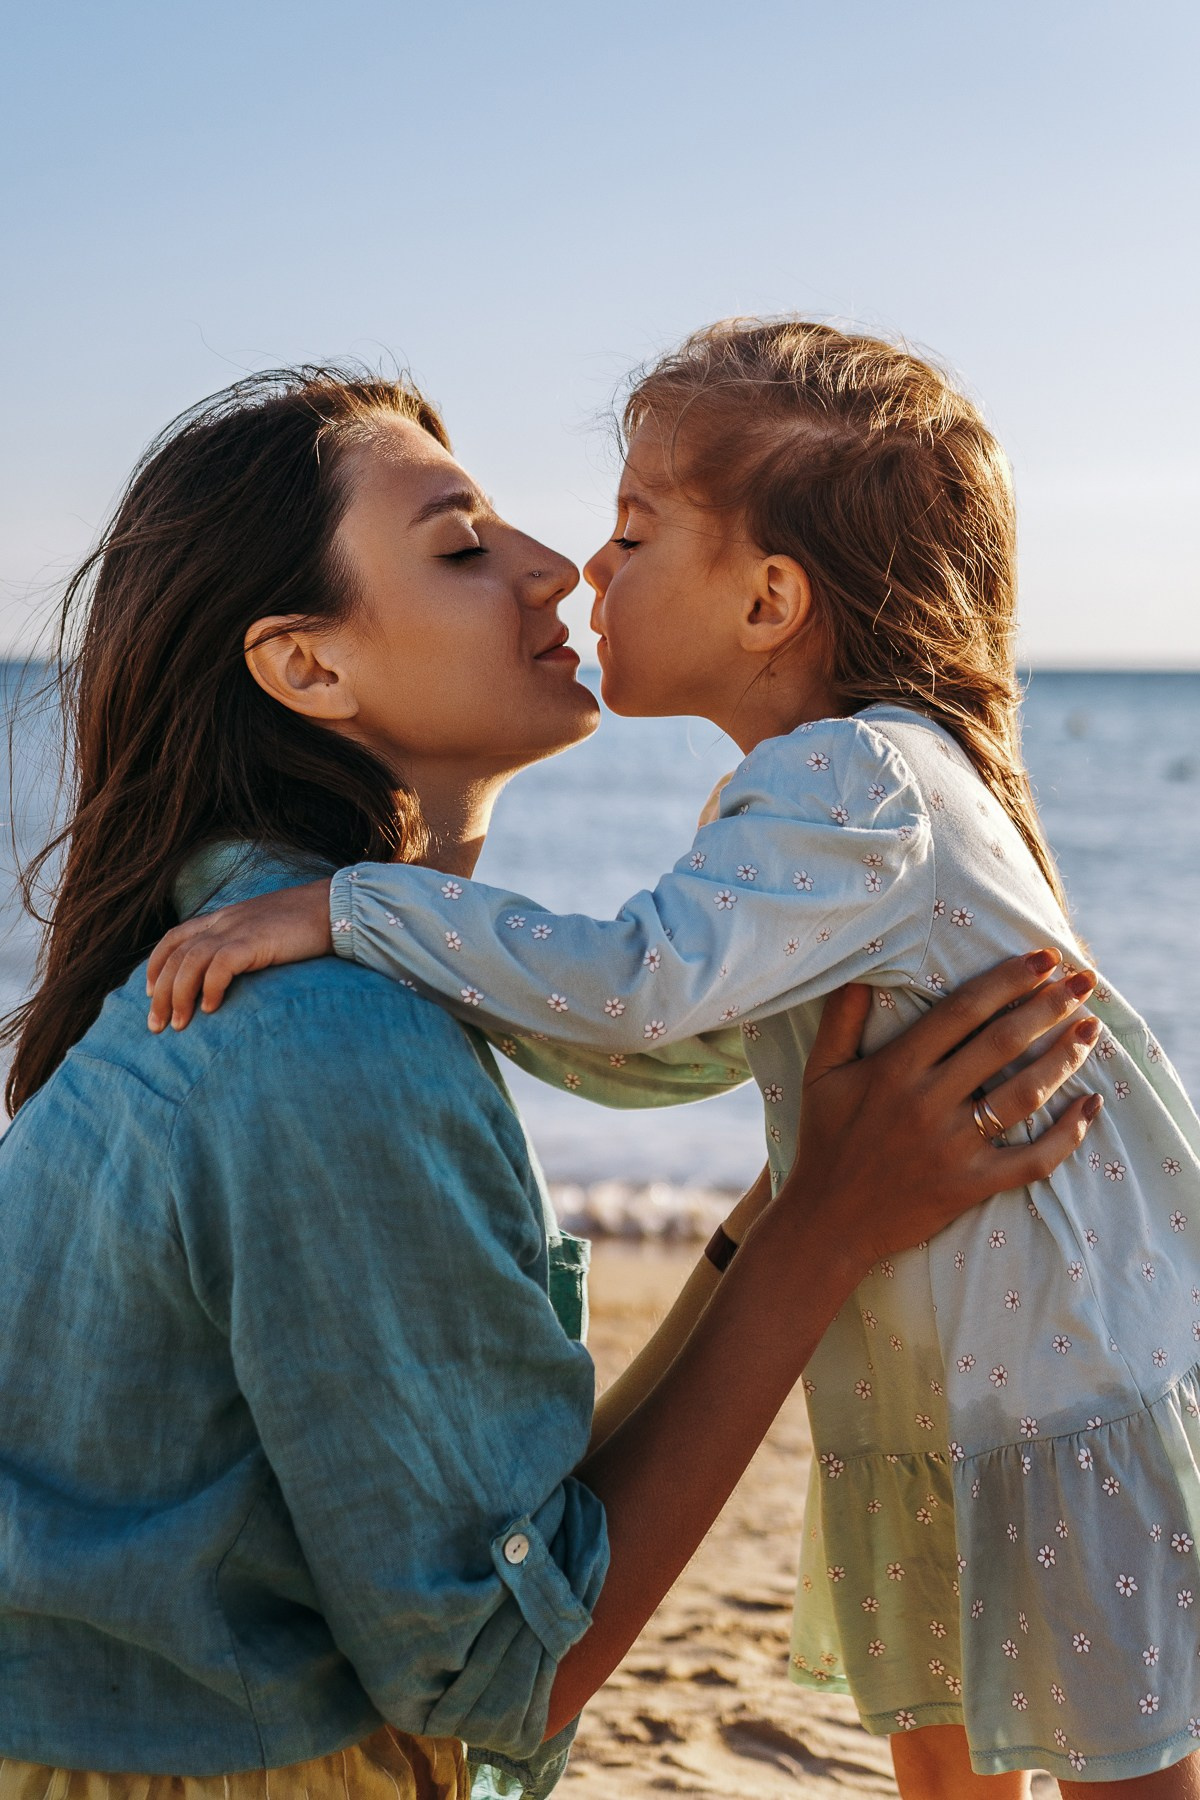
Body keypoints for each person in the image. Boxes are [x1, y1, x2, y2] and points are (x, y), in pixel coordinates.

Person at [0, 368, 1099, 1800]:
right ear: (308, 668)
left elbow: (503, 1517)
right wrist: (820, 1234)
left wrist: (805, 1201)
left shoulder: (294, 976)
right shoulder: (323, 1034)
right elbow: (495, 1670)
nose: (555, 567)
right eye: (461, 548)